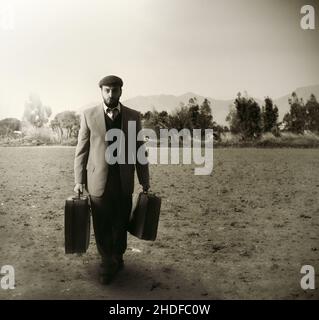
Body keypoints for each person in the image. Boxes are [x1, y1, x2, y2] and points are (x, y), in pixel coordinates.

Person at [74, 75, 150, 284]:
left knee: (120, 221)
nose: (110, 94)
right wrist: (79, 180)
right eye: (107, 90)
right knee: (102, 222)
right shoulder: (89, 115)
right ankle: (107, 263)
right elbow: (82, 150)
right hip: (97, 180)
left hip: (124, 181)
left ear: (121, 91)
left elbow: (139, 150)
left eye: (114, 90)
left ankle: (118, 255)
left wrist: (145, 180)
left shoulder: (133, 117)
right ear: (101, 91)